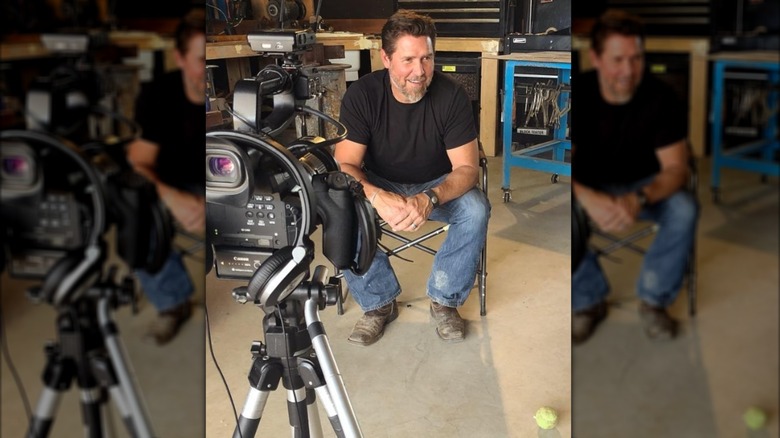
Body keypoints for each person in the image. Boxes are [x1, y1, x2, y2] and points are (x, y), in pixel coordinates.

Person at [334, 10, 490, 346]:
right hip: (379, 183)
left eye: (427, 58)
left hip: (436, 185)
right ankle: (378, 303)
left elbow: (466, 169)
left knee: (476, 209)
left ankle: (445, 300)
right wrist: (375, 196)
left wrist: (429, 198)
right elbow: (345, 164)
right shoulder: (362, 95)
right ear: (386, 58)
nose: (419, 71)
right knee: (339, 206)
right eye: (407, 60)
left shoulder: (451, 97)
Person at [571, 9, 698, 344]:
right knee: (562, 214)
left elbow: (676, 169)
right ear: (596, 58)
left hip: (646, 187)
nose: (628, 70)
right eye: (618, 60)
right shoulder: (578, 94)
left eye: (636, 58)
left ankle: (654, 301)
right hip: (589, 187)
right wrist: (586, 197)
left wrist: (637, 198)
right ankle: (588, 300)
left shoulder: (662, 98)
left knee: (684, 209)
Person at [126, 8, 206, 345]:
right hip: (176, 182)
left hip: (227, 180)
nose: (208, 68)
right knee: (133, 210)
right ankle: (172, 302)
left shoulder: (232, 93)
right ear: (180, 58)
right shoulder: (159, 95)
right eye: (202, 59)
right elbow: (138, 161)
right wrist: (171, 197)